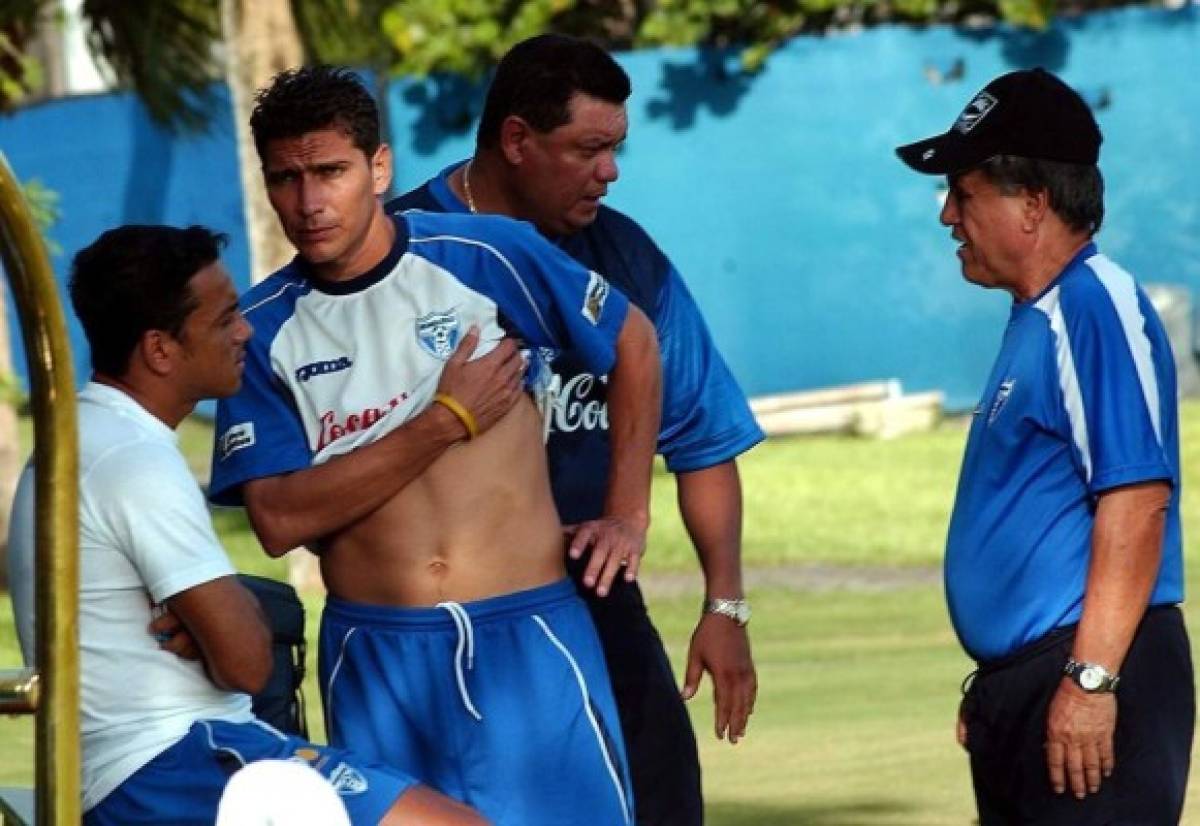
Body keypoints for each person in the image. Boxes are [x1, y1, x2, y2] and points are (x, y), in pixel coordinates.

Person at [207, 65, 662, 826]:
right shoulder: (261, 328)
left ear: (379, 167)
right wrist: (444, 421)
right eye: (286, 178)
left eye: (331, 171)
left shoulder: (489, 255)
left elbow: (636, 344)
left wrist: (628, 513)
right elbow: (279, 520)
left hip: (528, 635)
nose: (310, 201)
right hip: (373, 655)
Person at [387, 35, 764, 825]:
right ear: (518, 140)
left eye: (616, 148)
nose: (611, 171)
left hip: (597, 601)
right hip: (443, 620)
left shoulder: (627, 257)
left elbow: (704, 442)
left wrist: (724, 606)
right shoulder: (399, 253)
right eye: (589, 148)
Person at [6, 224, 487, 826]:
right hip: (172, 764)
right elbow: (248, 665)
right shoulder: (133, 460)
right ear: (160, 349)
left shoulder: (82, 439)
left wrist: (217, 613)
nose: (245, 331)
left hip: (144, 766)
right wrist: (229, 617)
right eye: (224, 318)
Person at [896, 68, 1194, 823]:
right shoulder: (1040, 316)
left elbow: (1135, 499)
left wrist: (1090, 682)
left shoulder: (1095, 306)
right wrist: (1002, 685)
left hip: (1096, 673)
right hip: (1034, 683)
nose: (947, 217)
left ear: (1031, 204)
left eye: (963, 194)